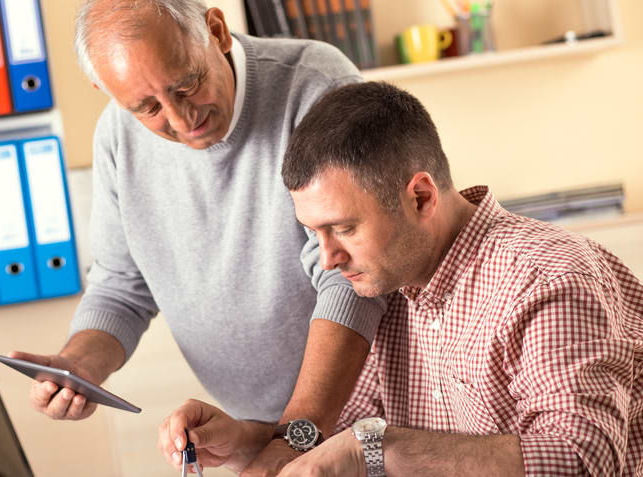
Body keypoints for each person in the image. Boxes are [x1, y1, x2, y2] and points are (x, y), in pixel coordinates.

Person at [160, 81, 643, 476]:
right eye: (313, 233)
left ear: (421, 198)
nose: (327, 259)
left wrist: (380, 448)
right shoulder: (387, 286)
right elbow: (340, 436)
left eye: (343, 228)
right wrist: (249, 442)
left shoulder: (548, 279)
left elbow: (584, 459)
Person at [9, 0, 386, 473]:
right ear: (104, 89)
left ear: (216, 30)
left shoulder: (314, 86)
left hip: (373, 418)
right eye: (148, 108)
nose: (182, 119)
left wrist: (295, 437)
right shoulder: (116, 136)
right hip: (265, 435)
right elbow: (121, 287)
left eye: (187, 84)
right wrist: (80, 366)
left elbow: (349, 275)